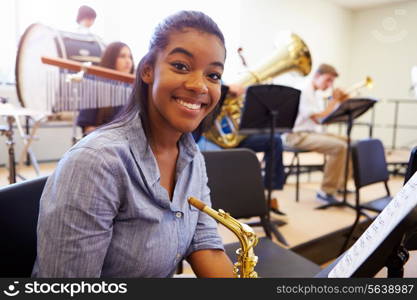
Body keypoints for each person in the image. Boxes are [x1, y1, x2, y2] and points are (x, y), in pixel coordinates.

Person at [32, 10, 235, 278]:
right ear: (148, 71)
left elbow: (205, 242)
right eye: (181, 66)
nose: (200, 86)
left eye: (213, 75)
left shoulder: (192, 155)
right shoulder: (96, 162)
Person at [196, 84, 285, 213]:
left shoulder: (231, 82)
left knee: (274, 140)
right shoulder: (217, 83)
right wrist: (225, 89)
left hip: (234, 137)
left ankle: (270, 193)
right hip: (209, 138)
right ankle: (223, 207)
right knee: (219, 161)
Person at [284, 63, 350, 203]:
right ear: (317, 76)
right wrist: (334, 102)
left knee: (349, 142)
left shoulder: (316, 93)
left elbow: (323, 120)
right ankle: (325, 192)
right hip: (296, 136)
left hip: (311, 132)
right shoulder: (303, 90)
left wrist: (339, 104)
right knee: (339, 147)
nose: (330, 84)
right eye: (328, 80)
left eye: (332, 81)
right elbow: (320, 118)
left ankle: (340, 185)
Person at [76, 41, 134, 135]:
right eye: (122, 56)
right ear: (111, 59)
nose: (128, 61)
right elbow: (88, 129)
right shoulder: (96, 87)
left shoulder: (135, 89)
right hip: (104, 145)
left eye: (130, 57)